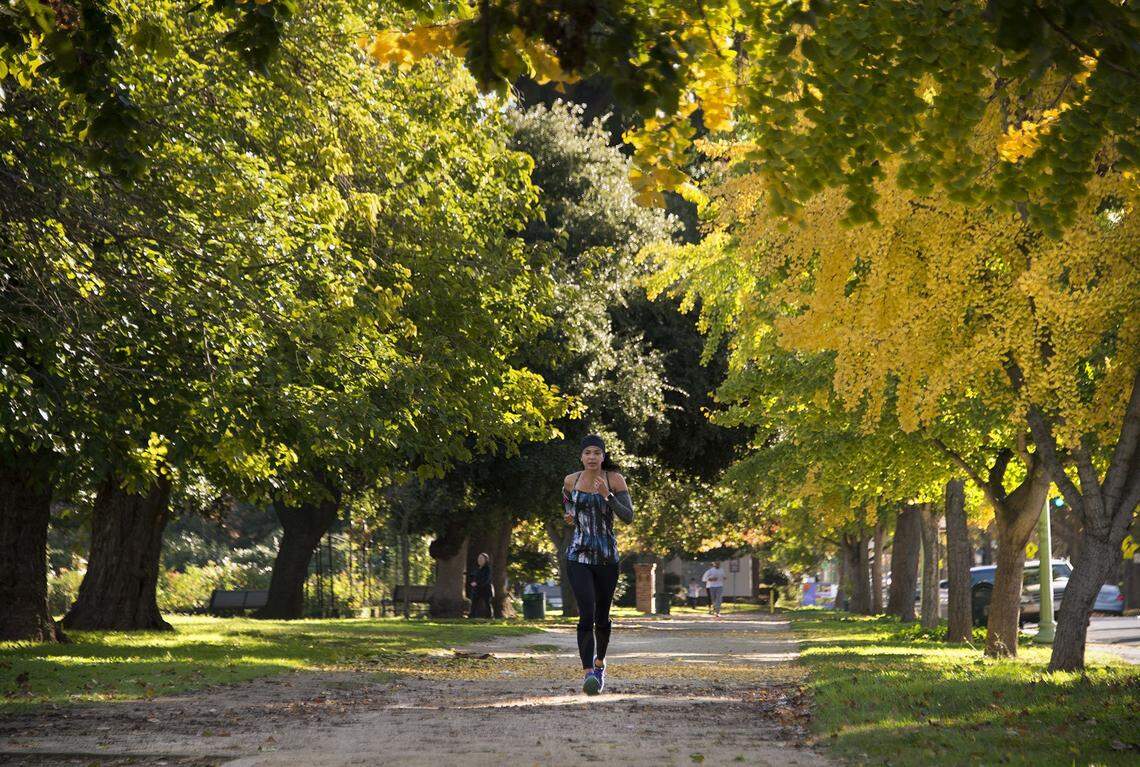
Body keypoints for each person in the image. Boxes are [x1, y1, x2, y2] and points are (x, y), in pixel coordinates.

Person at [562, 434, 634, 695]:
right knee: (587, 614)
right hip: (578, 556)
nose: (592, 457)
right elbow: (567, 508)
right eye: (587, 452)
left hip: (606, 558)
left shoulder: (615, 480)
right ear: (581, 457)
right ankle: (587, 674)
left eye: (597, 452)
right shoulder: (571, 481)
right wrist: (568, 516)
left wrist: (608, 497)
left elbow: (628, 517)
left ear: (603, 456)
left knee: (602, 617)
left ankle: (600, 664)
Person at [469, 552, 493, 618]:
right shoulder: (477, 568)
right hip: (476, 589)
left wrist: (477, 583)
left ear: (486, 560)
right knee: (474, 603)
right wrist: (472, 582)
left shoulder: (487, 568)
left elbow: (486, 579)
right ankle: (472, 615)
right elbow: (472, 576)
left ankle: (489, 616)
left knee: (487, 603)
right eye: (479, 558)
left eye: (482, 558)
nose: (479, 559)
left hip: (485, 589)